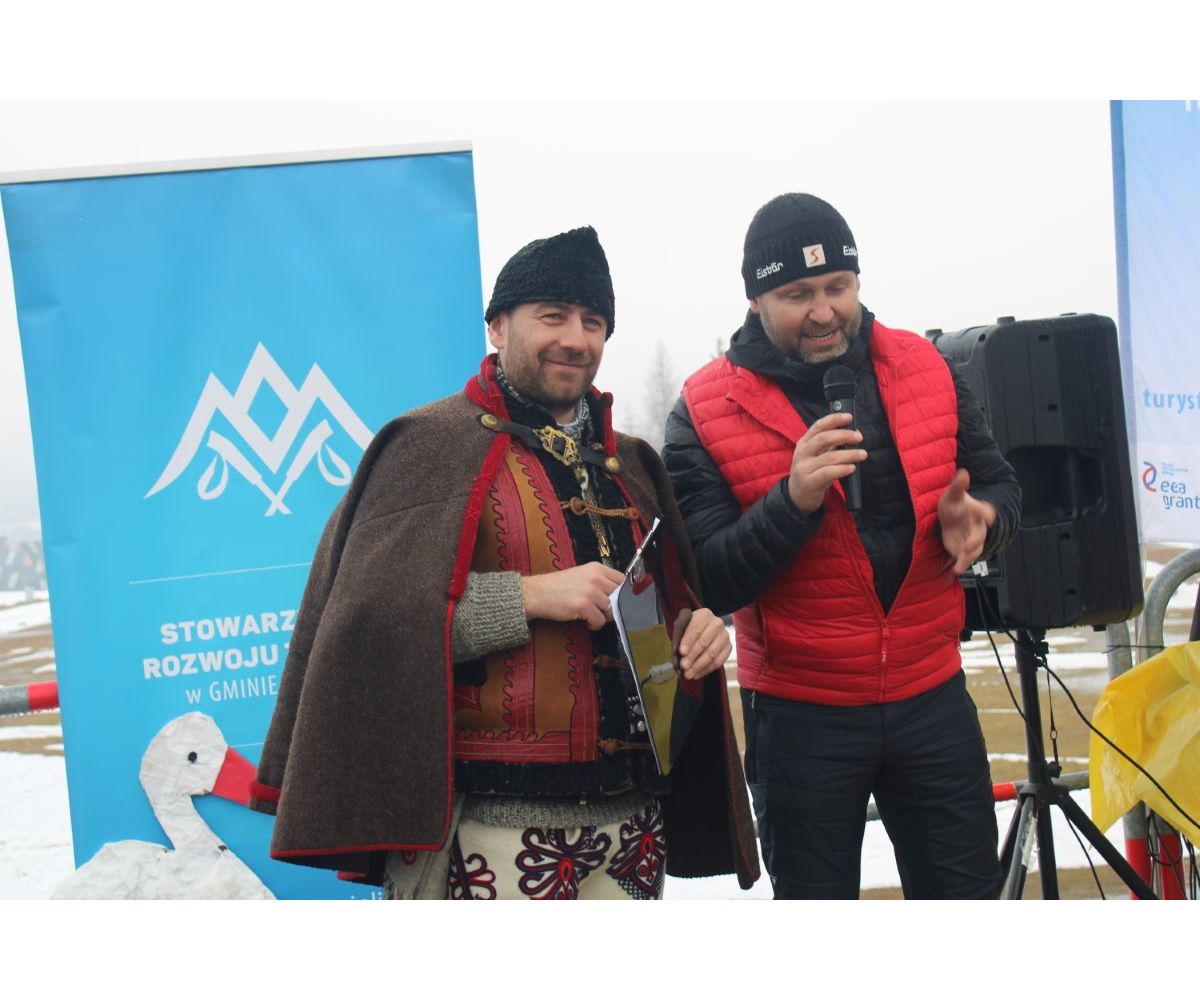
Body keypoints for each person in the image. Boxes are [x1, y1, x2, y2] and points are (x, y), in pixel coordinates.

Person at [250, 225, 759, 899]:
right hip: (486, 834)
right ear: (497, 327)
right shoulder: (423, 447)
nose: (575, 338)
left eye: (593, 322)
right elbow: (370, 634)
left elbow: (668, 612)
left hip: (634, 829)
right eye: (552, 315)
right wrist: (530, 596)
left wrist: (696, 631)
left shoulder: (635, 464)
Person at [662, 194, 1021, 900]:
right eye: (798, 295)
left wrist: (982, 521)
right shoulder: (704, 408)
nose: (824, 311)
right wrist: (792, 500)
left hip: (932, 695)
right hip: (801, 715)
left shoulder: (926, 365)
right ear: (755, 299)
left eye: (838, 286)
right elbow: (710, 578)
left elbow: (1002, 486)